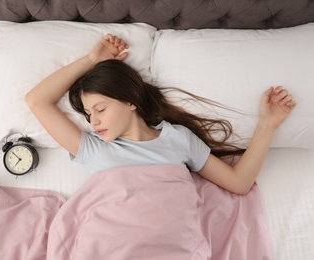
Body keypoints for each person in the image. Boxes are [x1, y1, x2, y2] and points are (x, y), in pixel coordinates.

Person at [25, 34, 296, 195]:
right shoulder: (94, 149)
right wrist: (91, 61)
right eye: (88, 114)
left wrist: (268, 126)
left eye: (101, 109)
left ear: (130, 101)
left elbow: (238, 183)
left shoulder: (178, 139)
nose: (93, 121)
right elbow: (37, 101)